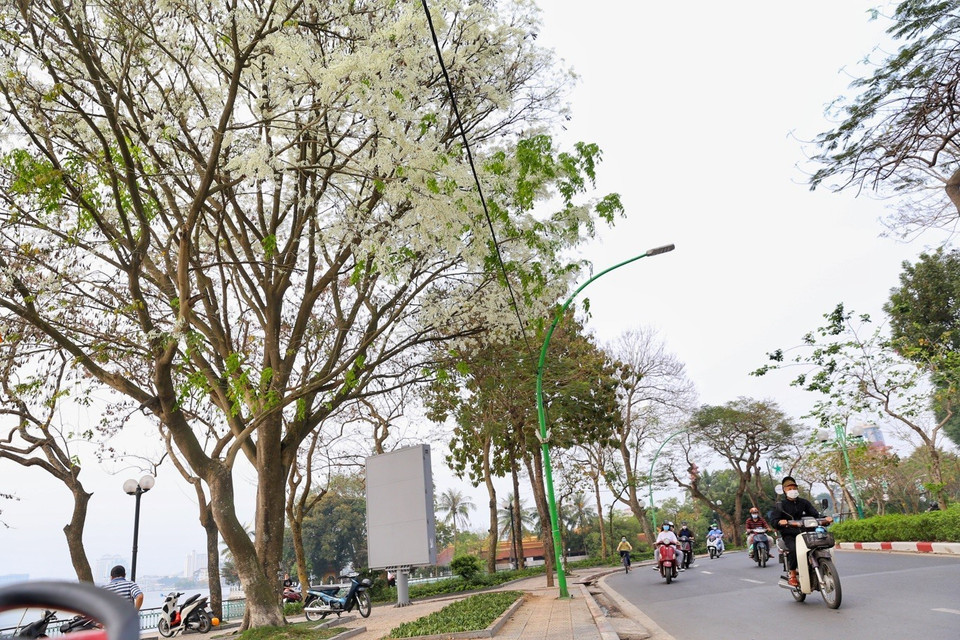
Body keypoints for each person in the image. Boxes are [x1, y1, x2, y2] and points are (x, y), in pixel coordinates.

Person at [769, 476, 832, 587]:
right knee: (794, 550)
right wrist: (780, 522)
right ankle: (792, 573)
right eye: (789, 489)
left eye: (794, 488)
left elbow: (815, 515)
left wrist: (825, 518)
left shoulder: (804, 503)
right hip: (790, 534)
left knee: (821, 544)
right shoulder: (781, 505)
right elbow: (774, 521)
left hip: (807, 532)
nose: (792, 490)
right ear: (784, 490)